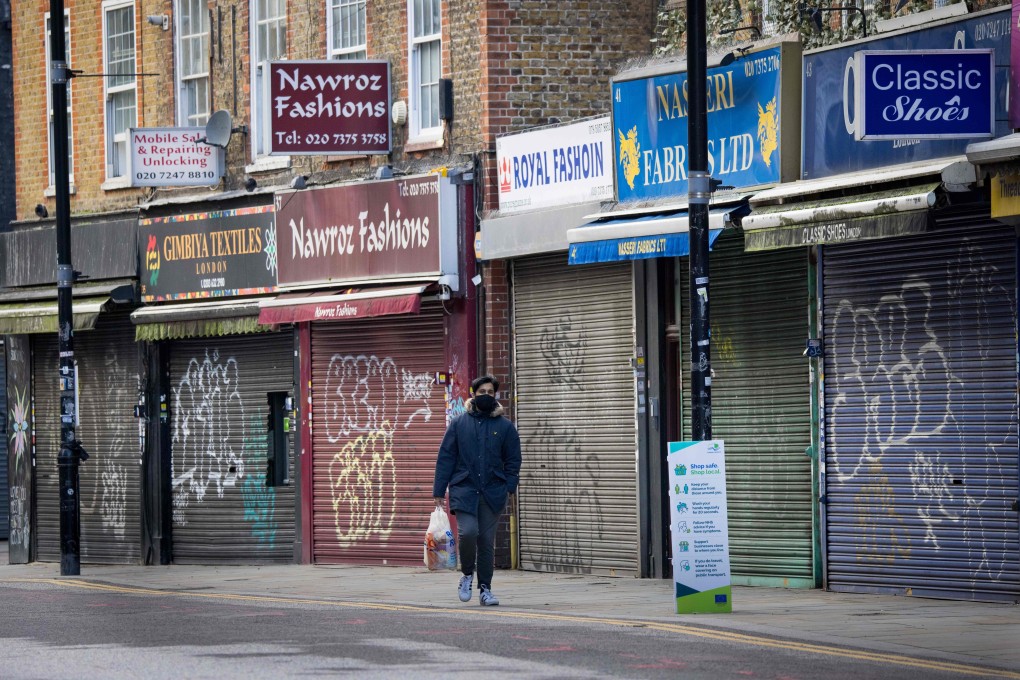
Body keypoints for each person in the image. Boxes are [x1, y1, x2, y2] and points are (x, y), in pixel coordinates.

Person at [432, 375, 521, 606]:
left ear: (495, 395)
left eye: (490, 392)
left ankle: (485, 589)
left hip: (493, 492)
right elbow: (446, 457)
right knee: (468, 533)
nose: (486, 396)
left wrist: (509, 486)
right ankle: (467, 574)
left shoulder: (505, 427)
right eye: (481, 392)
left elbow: (513, 459)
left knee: (486, 541)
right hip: (464, 489)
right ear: (473, 394)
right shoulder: (459, 424)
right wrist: (439, 490)